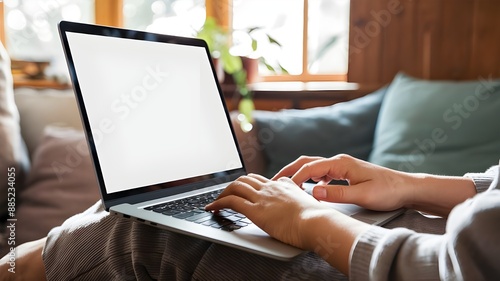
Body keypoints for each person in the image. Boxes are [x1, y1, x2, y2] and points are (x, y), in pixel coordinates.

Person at [1, 154, 499, 280]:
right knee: (125, 204)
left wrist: (309, 224)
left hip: (434, 262)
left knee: (140, 232)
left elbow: (452, 271)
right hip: (442, 234)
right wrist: (412, 186)